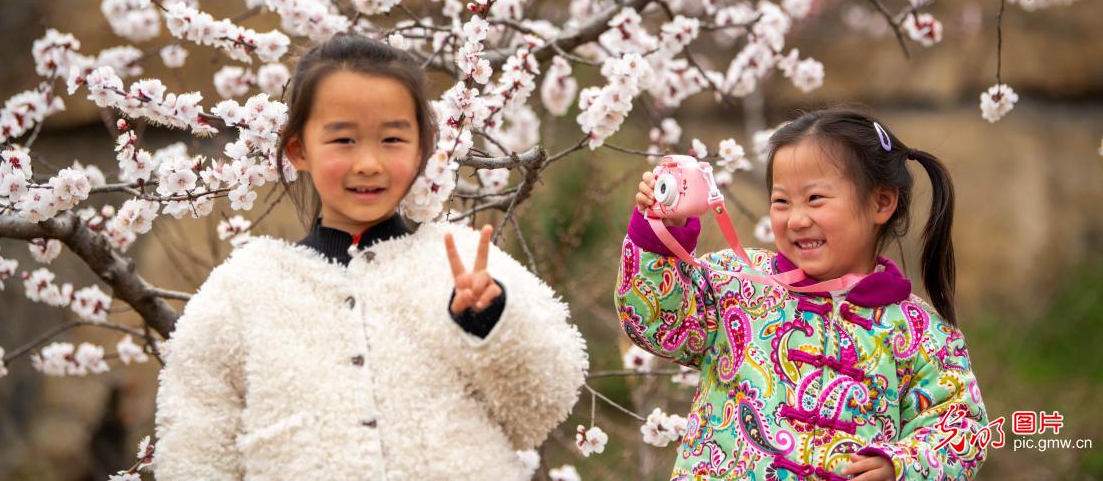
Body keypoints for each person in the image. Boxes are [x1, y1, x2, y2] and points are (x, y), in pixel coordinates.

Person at [155, 33, 588, 480]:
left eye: (392, 140)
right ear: (298, 149)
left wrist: (490, 321)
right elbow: (194, 449)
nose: (368, 163)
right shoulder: (244, 290)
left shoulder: (461, 261)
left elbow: (545, 403)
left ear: (422, 148)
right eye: (343, 140)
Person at [616, 106, 988, 480]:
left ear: (881, 203)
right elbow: (657, 322)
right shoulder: (735, 285)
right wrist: (661, 234)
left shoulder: (922, 333)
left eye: (815, 199)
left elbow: (962, 428)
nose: (796, 219)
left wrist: (901, 466)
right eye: (781, 202)